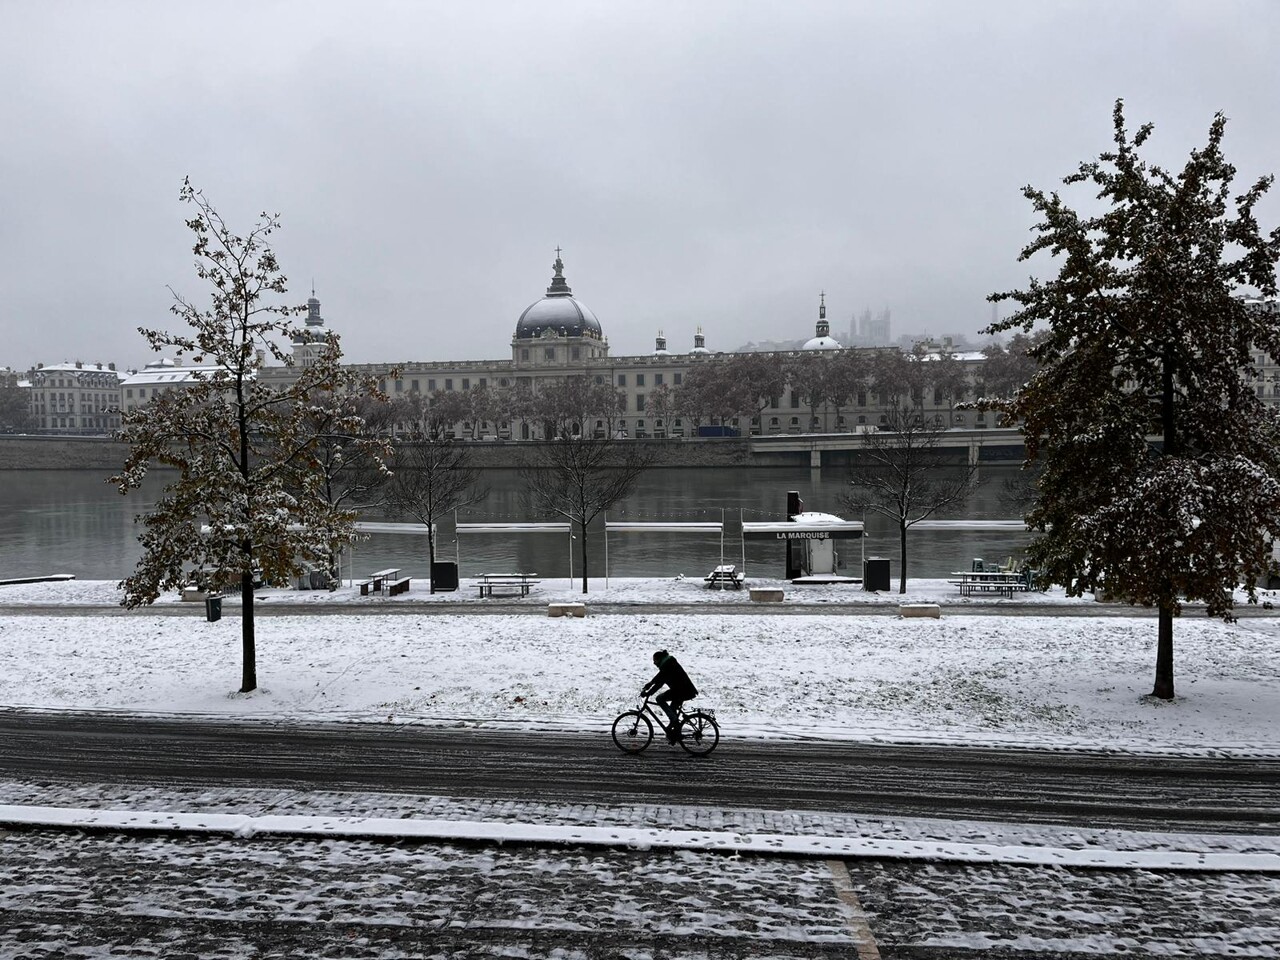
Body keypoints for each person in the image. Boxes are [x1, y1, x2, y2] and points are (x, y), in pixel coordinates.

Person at [641, 649, 698, 741]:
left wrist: (649, 693)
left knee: (660, 699)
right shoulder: (667, 664)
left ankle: (674, 723)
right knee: (672, 710)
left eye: (655, 660)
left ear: (659, 659)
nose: (654, 663)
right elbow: (659, 676)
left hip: (682, 691)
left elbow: (660, 682)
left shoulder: (668, 666)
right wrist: (650, 684)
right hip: (682, 690)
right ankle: (675, 733)